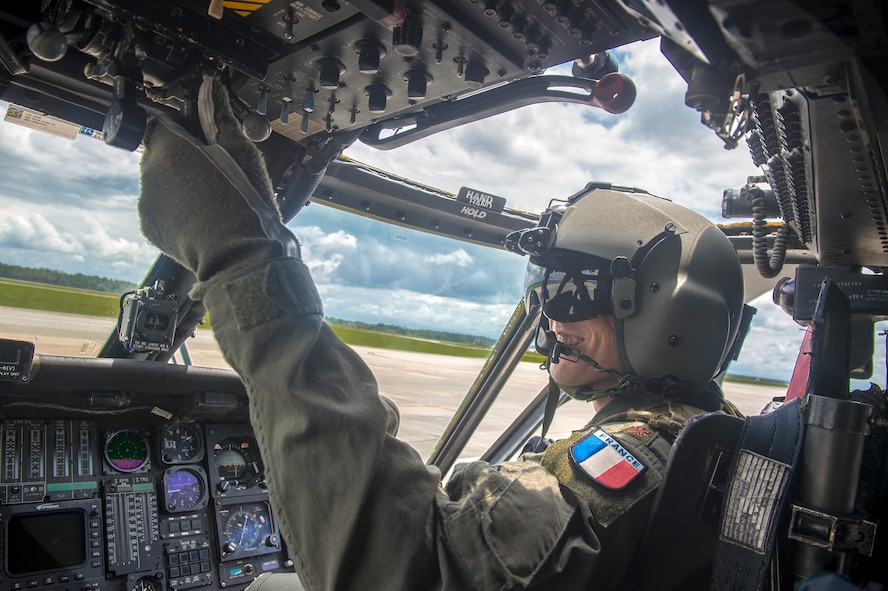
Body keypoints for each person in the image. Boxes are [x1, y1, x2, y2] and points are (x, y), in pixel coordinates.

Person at [138, 78, 745, 590]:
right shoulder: (706, 442)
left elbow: (408, 568)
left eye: (572, 290)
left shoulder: (632, 464)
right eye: (544, 284)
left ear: (671, 317)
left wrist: (240, 257)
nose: (550, 315)